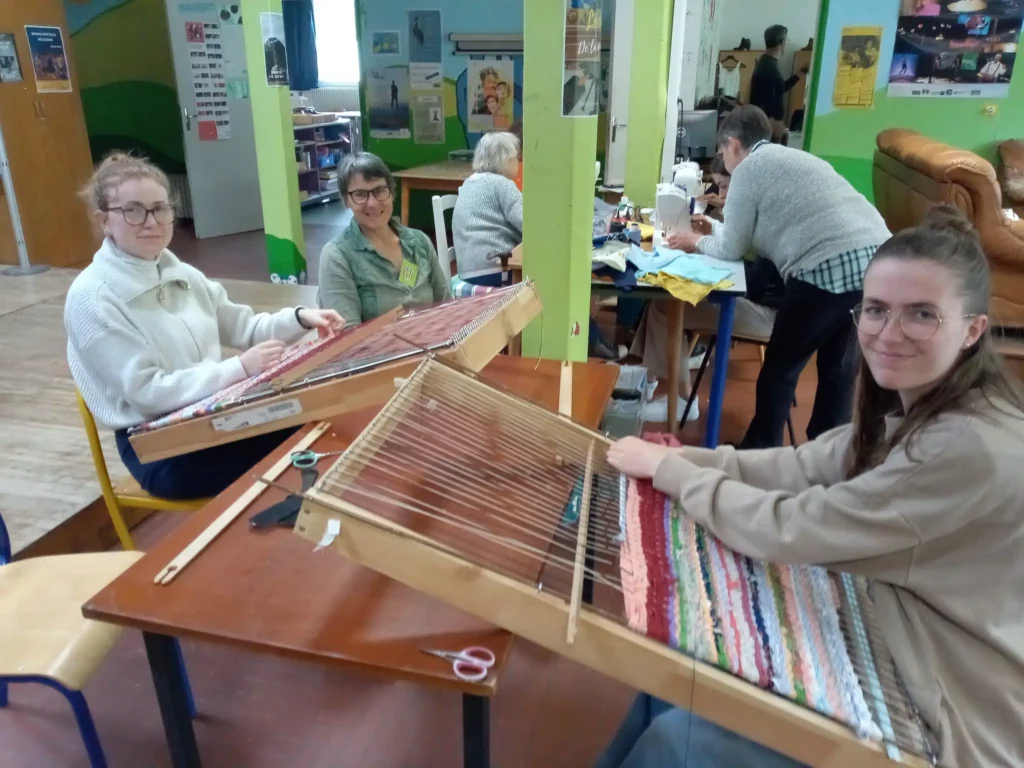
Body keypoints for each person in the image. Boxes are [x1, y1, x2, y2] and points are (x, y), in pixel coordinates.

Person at [601, 206, 1024, 768]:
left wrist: (673, 473)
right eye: (876, 311)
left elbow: (796, 525)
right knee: (672, 680)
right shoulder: (930, 410)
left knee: (677, 742)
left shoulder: (965, 445)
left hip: (952, 717)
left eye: (922, 314)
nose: (889, 334)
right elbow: (799, 467)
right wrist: (673, 457)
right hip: (915, 652)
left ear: (973, 329)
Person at [65, 153, 344, 500]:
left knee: (319, 422)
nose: (150, 222)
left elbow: (244, 328)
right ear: (104, 219)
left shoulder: (179, 271)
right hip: (159, 447)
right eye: (133, 210)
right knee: (301, 451)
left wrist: (300, 318)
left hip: (211, 415)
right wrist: (239, 368)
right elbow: (146, 393)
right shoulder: (92, 296)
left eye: (160, 208)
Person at [668, 106, 891, 448]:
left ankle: (761, 450)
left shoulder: (747, 170)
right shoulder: (790, 159)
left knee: (781, 369)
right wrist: (713, 228)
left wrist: (695, 241)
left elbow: (731, 249)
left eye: (722, 151)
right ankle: (828, 451)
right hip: (878, 265)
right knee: (839, 371)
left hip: (823, 268)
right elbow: (754, 233)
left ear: (733, 144)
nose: (723, 160)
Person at [451, 132, 623, 360]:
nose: (518, 163)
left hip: (469, 270)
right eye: (516, 158)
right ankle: (589, 341)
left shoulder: (470, 183)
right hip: (496, 271)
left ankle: (591, 338)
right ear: (504, 160)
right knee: (560, 284)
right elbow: (531, 225)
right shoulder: (502, 185)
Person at [318, 152, 450, 325]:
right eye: (360, 194)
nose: (372, 203)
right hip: (380, 351)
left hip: (434, 345)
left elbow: (447, 306)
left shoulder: (419, 242)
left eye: (380, 190)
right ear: (346, 201)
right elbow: (347, 339)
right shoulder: (337, 256)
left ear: (392, 193)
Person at [749, 25, 804, 142]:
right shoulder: (768, 68)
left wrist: (798, 75)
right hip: (769, 129)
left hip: (769, 127)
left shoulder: (767, 63)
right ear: (782, 42)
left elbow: (778, 89)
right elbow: (763, 101)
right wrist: (773, 123)